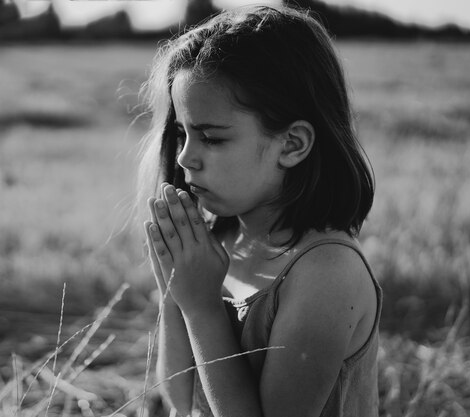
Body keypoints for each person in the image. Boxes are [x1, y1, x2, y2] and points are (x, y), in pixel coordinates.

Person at [138, 5, 381, 417]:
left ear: (292, 145)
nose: (184, 158)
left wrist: (202, 307)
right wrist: (173, 291)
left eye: (211, 138)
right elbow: (179, 401)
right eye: (182, 133)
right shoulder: (216, 240)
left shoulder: (326, 273)